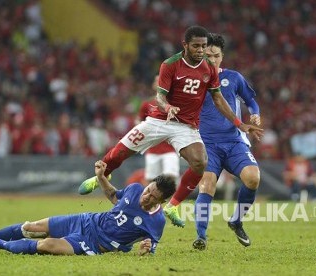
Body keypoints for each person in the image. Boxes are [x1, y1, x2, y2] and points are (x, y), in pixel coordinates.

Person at [78, 26, 263, 228]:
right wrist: (167, 106)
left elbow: (218, 99)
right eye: (196, 46)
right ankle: (101, 176)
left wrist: (239, 124)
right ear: (185, 45)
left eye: (203, 46)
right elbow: (160, 96)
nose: (201, 50)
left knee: (200, 163)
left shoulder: (209, 68)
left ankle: (173, 205)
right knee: (120, 153)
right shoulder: (170, 64)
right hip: (160, 121)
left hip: (186, 126)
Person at [0, 160, 176, 256]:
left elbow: (149, 248)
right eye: (148, 190)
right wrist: (101, 177)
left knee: (46, 245)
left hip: (94, 243)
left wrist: (145, 250)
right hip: (86, 220)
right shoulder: (135, 188)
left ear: (161, 201)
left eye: (152, 197)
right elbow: (113, 196)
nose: (146, 196)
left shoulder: (156, 222)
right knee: (31, 227)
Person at [192, 33, 261, 250]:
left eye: (216, 55)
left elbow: (250, 100)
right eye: (208, 55)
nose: (212, 60)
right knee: (208, 184)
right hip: (207, 144)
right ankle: (201, 236)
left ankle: (237, 221)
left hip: (233, 141)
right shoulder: (194, 80)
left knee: (252, 178)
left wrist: (255, 113)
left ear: (222, 57)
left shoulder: (234, 77)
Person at [137, 75, 180, 184]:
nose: (159, 83)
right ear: (153, 85)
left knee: (171, 176)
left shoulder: (174, 104)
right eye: (157, 81)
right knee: (150, 179)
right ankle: (150, 200)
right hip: (153, 148)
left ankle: (172, 201)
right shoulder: (147, 104)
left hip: (170, 148)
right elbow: (139, 122)